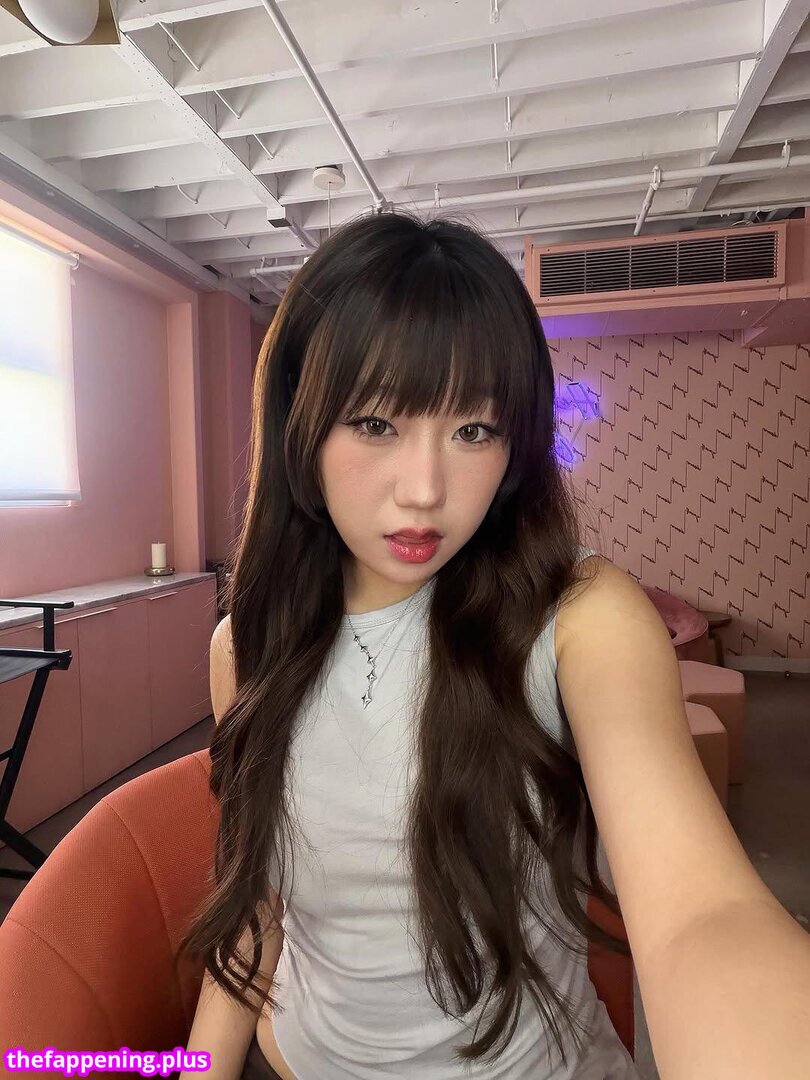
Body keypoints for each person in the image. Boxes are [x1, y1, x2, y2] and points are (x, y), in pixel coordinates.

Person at [176, 210, 810, 1080]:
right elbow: (259, 912)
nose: (426, 489)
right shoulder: (246, 648)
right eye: (375, 422)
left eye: (474, 430)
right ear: (301, 425)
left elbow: (703, 915)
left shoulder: (579, 619)